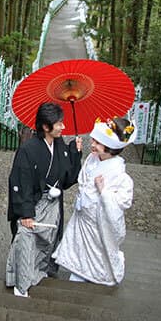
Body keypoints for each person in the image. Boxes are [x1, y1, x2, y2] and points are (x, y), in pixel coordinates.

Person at [6, 102, 83, 297]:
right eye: (58, 124)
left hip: (53, 205)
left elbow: (66, 179)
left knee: (48, 239)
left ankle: (41, 271)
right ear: (45, 127)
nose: (62, 127)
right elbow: (19, 181)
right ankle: (21, 283)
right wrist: (25, 213)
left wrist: (75, 152)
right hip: (34, 204)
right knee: (26, 239)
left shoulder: (59, 144)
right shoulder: (28, 149)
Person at [52, 116, 135, 286]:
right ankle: (78, 273)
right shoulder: (92, 159)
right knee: (79, 249)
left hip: (98, 223)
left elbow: (123, 201)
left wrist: (104, 192)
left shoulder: (120, 175)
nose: (93, 145)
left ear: (110, 148)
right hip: (83, 215)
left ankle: (98, 276)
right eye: (94, 141)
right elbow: (82, 178)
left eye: (97, 143)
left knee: (97, 253)